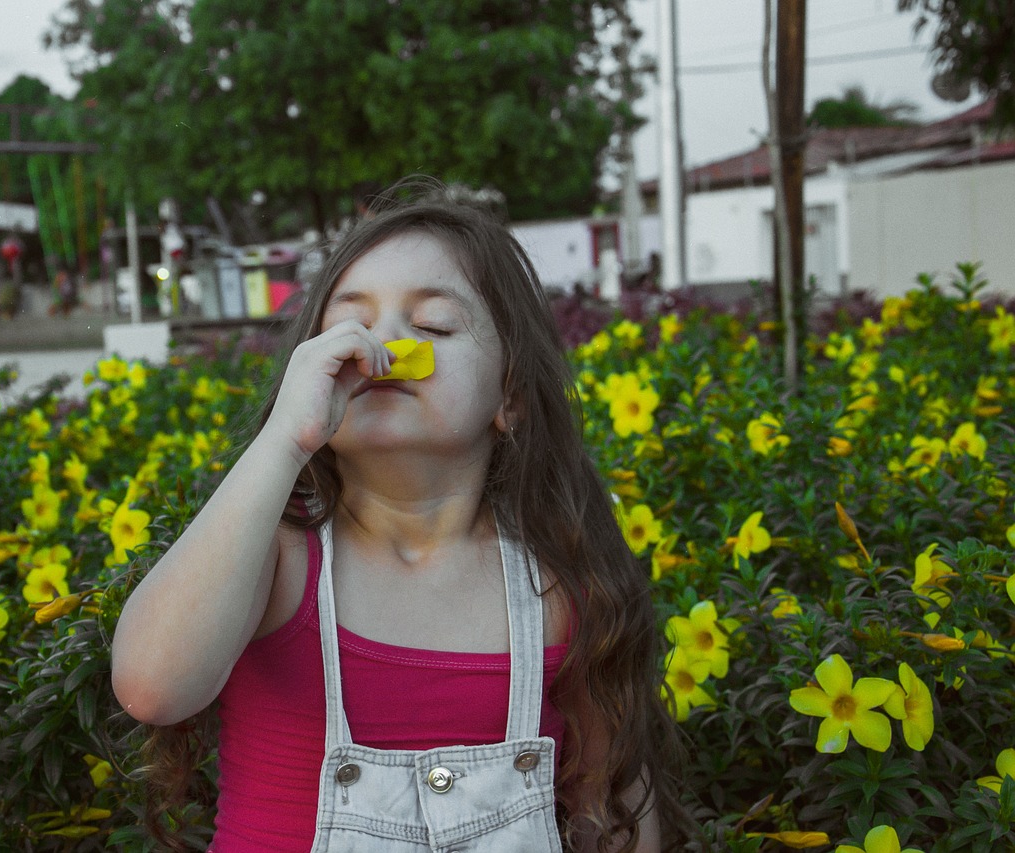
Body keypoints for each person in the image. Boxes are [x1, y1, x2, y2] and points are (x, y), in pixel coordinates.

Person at [112, 185, 681, 852]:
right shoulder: (279, 558)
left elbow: (614, 804)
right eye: (349, 327)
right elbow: (152, 686)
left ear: (512, 398)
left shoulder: (554, 587)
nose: (380, 346)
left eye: (434, 326)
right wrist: (282, 441)